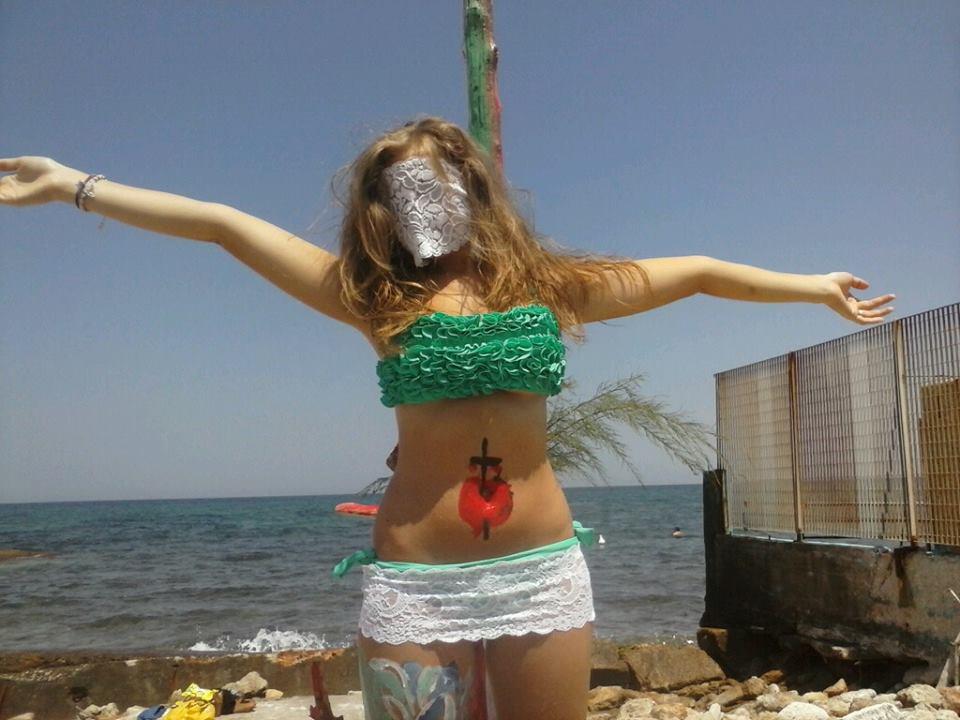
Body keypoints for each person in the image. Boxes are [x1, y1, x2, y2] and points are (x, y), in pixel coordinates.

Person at [0, 116, 895, 719]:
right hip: (416, 583)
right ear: (381, 207)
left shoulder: (548, 288)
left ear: (472, 189)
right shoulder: (371, 298)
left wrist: (811, 287)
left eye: (440, 181)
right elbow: (222, 224)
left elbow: (695, 271)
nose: (424, 202)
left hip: (540, 574)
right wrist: (72, 183)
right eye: (404, 188)